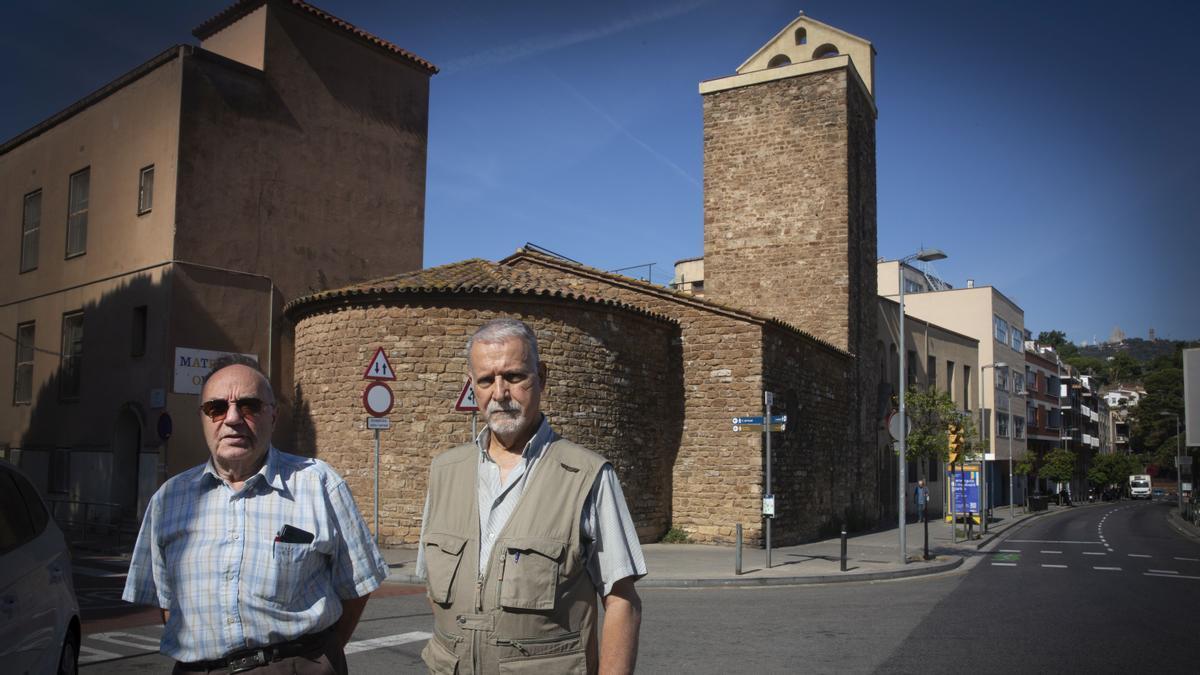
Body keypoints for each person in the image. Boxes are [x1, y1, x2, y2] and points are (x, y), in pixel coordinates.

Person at [123, 355, 388, 674]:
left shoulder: (319, 484)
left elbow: (357, 587)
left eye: (249, 406)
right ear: (203, 418)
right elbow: (167, 604)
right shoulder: (168, 499)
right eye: (216, 408)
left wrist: (314, 660)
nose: (232, 418)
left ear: (273, 416)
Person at [417, 318, 646, 674]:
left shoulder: (587, 476)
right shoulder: (444, 472)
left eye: (513, 376)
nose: (500, 393)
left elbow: (622, 602)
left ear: (541, 375)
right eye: (486, 380)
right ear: (472, 387)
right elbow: (435, 593)